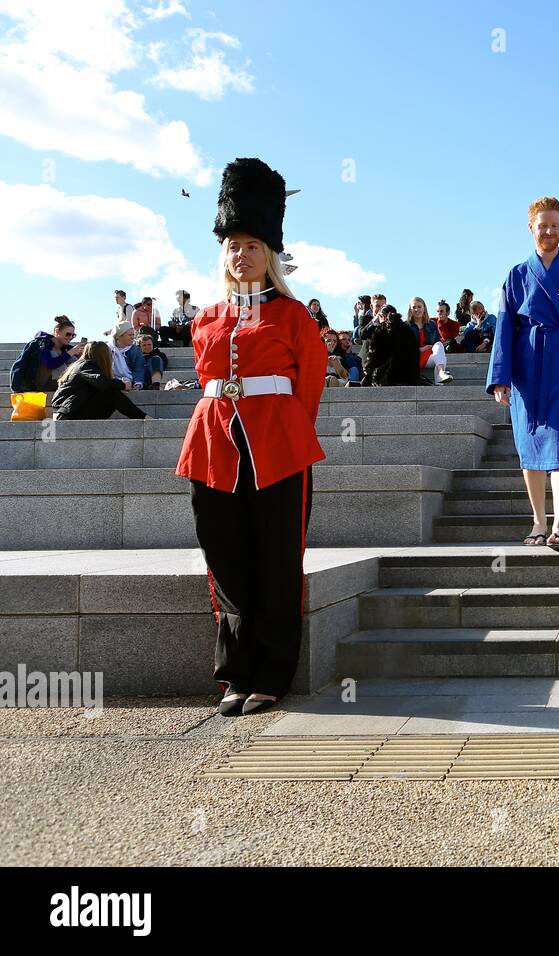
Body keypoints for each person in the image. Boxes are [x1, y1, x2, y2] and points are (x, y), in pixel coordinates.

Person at [177, 157, 327, 718]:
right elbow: (205, 377)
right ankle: (235, 675)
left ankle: (270, 673)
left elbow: (308, 386)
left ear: (270, 256)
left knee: (277, 559)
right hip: (213, 445)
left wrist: (285, 434)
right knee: (227, 560)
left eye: (253, 246)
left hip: (279, 447)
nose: (242, 255)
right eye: (234, 246)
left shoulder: (292, 315)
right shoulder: (206, 317)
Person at [487, 196, 559, 551]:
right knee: (528, 442)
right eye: (543, 226)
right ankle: (538, 520)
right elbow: (505, 327)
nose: (550, 232)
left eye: (555, 226)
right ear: (531, 228)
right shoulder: (517, 275)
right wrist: (500, 377)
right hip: (526, 366)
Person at [48, 341, 147, 420]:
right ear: (103, 356)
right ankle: (144, 418)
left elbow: (101, 383)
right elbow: (103, 382)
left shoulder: (81, 365)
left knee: (108, 391)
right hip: (67, 415)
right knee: (112, 393)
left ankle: (143, 417)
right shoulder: (86, 365)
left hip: (69, 411)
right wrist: (123, 385)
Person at [9, 316, 82, 392]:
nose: (70, 338)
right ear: (57, 332)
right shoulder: (43, 344)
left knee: (73, 358)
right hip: (40, 384)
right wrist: (71, 352)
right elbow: (50, 364)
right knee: (59, 355)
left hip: (58, 382)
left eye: (73, 335)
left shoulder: (65, 348)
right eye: (68, 334)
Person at [359, 304, 421, 386]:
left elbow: (374, 354)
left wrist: (368, 369)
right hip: (409, 377)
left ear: (381, 316)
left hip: (387, 377)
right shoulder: (408, 329)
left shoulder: (381, 330)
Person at [408, 297, 453, 383]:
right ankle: (440, 376)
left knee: (439, 345)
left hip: (429, 357)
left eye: (419, 306)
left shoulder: (431, 324)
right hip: (413, 359)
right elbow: (403, 348)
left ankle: (440, 374)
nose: (417, 309)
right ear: (410, 310)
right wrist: (421, 349)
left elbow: (436, 342)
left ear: (424, 308)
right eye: (414, 307)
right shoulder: (406, 326)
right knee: (441, 359)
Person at [108, 323, 147, 390]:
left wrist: (138, 383)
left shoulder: (135, 350)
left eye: (133, 335)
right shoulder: (107, 349)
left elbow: (139, 368)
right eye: (129, 335)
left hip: (131, 381)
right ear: (120, 336)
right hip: (113, 382)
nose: (133, 337)